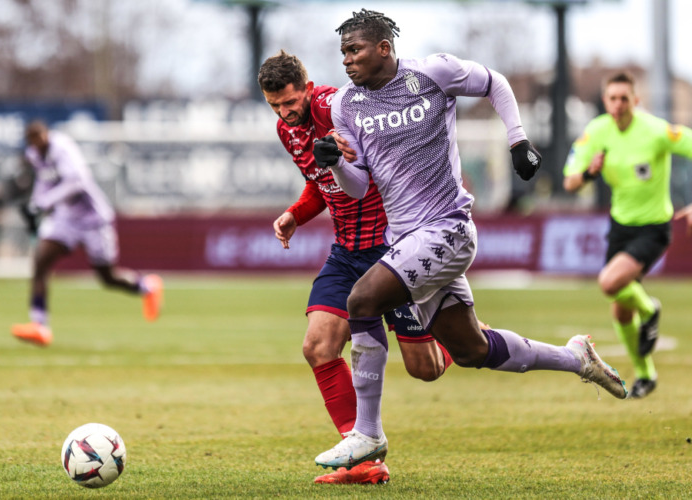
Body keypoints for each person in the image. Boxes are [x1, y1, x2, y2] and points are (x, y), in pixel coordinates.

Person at [310, 9, 629, 469]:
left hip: (447, 229)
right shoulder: (345, 105)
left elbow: (495, 82)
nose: (346, 60)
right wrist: (335, 163)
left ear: (383, 48)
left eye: (354, 50)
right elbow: (359, 185)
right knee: (471, 349)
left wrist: (518, 141)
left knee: (361, 301)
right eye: (342, 52)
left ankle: (368, 433)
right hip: (405, 240)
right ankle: (574, 357)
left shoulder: (431, 72)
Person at [258, 50, 467, 485]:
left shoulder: (338, 108)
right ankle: (364, 459)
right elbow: (321, 185)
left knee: (424, 368)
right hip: (346, 251)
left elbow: (375, 172)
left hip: (391, 251)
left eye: (290, 102)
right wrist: (296, 213)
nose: (285, 112)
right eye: (275, 105)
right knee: (317, 346)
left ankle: (461, 334)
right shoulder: (287, 130)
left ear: (307, 86)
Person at [563, 72, 692, 398]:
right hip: (621, 227)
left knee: (609, 282)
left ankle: (650, 310)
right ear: (605, 101)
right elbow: (570, 182)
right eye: (612, 98)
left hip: (653, 227)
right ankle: (646, 374)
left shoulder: (655, 130)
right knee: (620, 309)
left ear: (636, 100)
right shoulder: (596, 131)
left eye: (624, 98)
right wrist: (590, 172)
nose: (618, 104)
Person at [10, 121, 163, 346]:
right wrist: (35, 205)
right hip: (66, 218)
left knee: (107, 277)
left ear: (46, 135)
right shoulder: (34, 154)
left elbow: (77, 182)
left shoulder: (62, 148)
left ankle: (146, 288)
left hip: (93, 219)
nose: (38, 145)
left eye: (40, 139)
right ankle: (39, 326)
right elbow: (43, 182)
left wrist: (43, 203)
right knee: (40, 263)